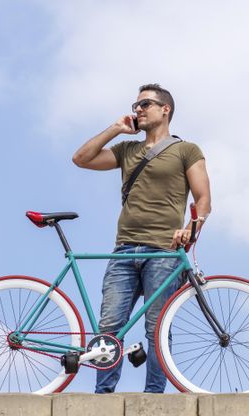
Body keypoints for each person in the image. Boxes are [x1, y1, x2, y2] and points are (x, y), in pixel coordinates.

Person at [72, 83, 211, 393]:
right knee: (109, 327)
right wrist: (116, 129)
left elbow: (203, 199)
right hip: (123, 250)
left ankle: (154, 396)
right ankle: (103, 396)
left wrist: (191, 228)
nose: (138, 110)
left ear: (166, 109)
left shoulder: (186, 150)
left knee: (157, 328)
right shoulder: (128, 150)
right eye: (135, 105)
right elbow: (81, 159)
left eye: (145, 104)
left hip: (163, 250)